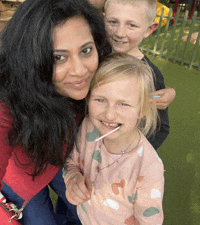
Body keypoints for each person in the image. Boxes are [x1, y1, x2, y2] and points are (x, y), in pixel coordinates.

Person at [0, 0, 110, 225]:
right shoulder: (1, 100)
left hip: (58, 165)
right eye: (58, 57)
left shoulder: (99, 73)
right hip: (18, 187)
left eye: (86, 50)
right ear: (31, 59)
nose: (80, 70)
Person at [63, 52, 164, 224]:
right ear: (87, 98)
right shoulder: (89, 128)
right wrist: (73, 179)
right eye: (100, 100)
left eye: (123, 104)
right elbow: (71, 162)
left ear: (143, 109)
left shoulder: (149, 168)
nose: (109, 114)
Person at [103, 0, 176, 149]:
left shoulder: (151, 75)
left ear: (149, 29)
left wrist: (131, 155)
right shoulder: (95, 57)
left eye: (132, 25)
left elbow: (160, 127)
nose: (120, 33)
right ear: (103, 18)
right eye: (113, 22)